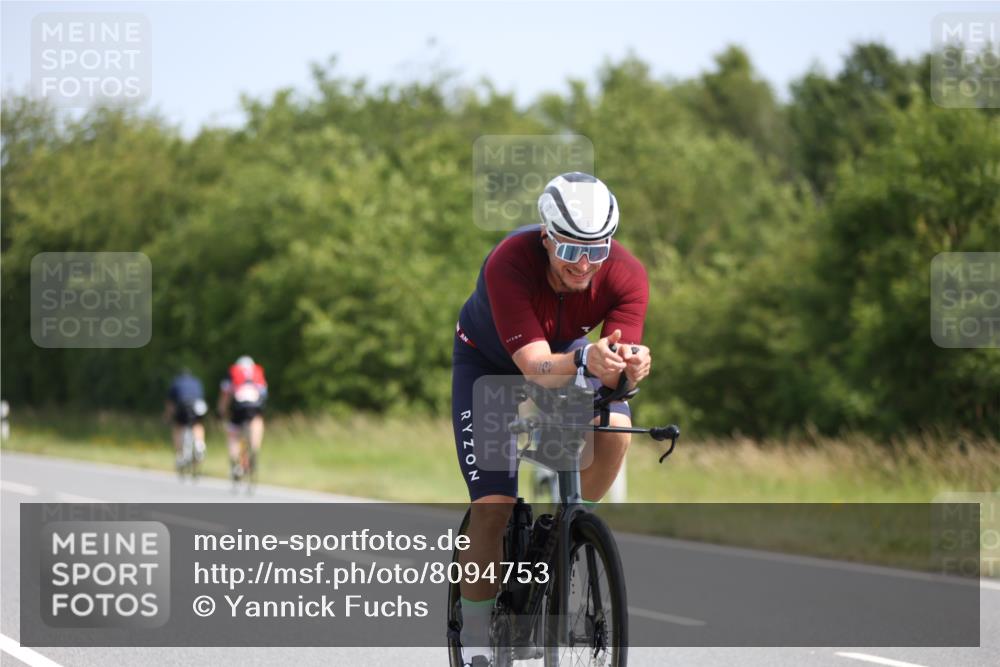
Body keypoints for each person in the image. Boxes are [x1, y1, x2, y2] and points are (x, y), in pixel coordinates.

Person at [451, 172, 652, 664]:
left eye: (596, 250)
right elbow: (538, 370)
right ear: (546, 236)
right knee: (494, 506)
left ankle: (567, 525)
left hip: (566, 355)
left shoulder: (626, 275)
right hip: (491, 366)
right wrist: (587, 363)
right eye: (569, 250)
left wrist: (629, 370)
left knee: (618, 429)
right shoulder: (509, 263)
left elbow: (610, 369)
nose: (583, 264)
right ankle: (476, 637)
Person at [218, 355, 268, 480]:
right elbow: (264, 393)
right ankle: (254, 449)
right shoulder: (257, 372)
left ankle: (235, 462)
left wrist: (222, 411)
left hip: (239, 406)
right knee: (257, 422)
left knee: (233, 435)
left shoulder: (233, 372)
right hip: (255, 406)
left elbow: (226, 394)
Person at [165, 369, 208, 468]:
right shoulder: (197, 381)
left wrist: (168, 416)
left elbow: (170, 403)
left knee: (178, 427)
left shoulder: (176, 382)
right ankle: (199, 444)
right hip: (198, 405)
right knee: (198, 424)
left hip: (183, 405)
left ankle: (179, 455)